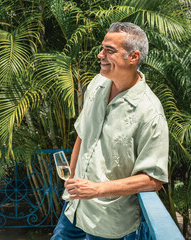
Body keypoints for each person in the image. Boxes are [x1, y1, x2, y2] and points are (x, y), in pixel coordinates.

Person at [51, 22, 169, 240]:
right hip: (74, 209)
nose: (100, 55)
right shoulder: (97, 83)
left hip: (109, 223)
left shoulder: (150, 113)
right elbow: (82, 135)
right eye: (102, 48)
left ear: (133, 57)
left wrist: (96, 190)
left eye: (109, 50)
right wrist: (72, 184)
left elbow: (153, 180)